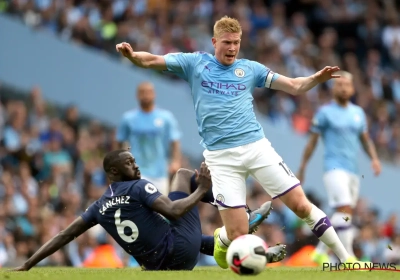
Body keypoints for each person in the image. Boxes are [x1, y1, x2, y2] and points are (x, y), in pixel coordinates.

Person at [115, 15, 359, 269]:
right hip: (221, 159)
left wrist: (315, 80)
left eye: (236, 42)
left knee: (301, 205)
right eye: (227, 42)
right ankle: (222, 238)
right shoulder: (195, 63)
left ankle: (347, 259)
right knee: (237, 235)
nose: (232, 48)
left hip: (256, 148)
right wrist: (133, 56)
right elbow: (153, 59)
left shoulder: (250, 69)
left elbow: (294, 86)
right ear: (214, 41)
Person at [11, 149, 284, 271]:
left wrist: (27, 264)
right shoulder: (138, 187)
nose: (136, 166)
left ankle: (250, 249)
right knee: (183, 174)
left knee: (200, 240)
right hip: (179, 252)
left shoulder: (98, 206)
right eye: (130, 163)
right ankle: (241, 216)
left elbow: (63, 236)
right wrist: (201, 189)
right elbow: (175, 211)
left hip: (159, 266)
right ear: (115, 172)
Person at [297, 71, 381, 265]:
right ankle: (349, 257)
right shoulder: (325, 113)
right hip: (334, 168)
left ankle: (320, 251)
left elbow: (365, 140)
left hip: (353, 170)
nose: (343, 88)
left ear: (352, 89)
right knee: (343, 209)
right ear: (334, 88)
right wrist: (302, 167)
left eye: (346, 85)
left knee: (345, 214)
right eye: (339, 84)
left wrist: (374, 159)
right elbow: (312, 142)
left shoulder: (358, 114)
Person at [117, 81, 182, 195]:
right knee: (136, 208)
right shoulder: (128, 118)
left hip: (160, 172)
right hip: (136, 172)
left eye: (149, 92)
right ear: (137, 95)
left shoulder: (166, 118)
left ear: (154, 94)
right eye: (142, 92)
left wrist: (176, 161)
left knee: (160, 209)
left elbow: (175, 141)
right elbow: (119, 141)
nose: (146, 95)